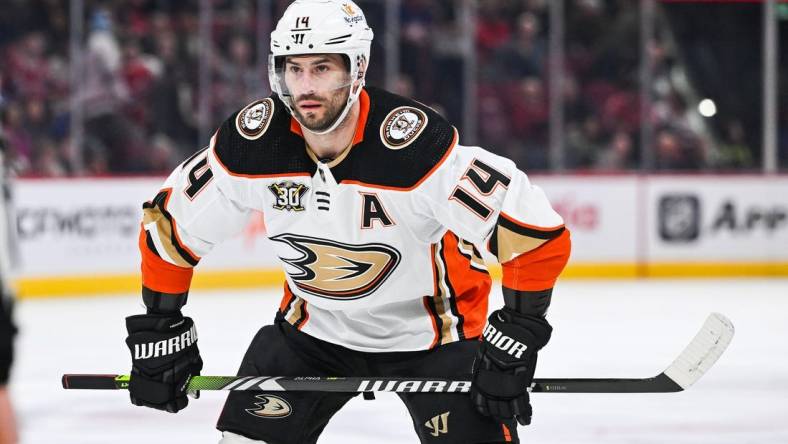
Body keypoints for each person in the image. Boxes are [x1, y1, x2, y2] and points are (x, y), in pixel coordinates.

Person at [124, 1, 571, 443]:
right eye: (293, 69)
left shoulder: (414, 150)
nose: (305, 87)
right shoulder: (252, 148)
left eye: (322, 68)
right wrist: (162, 325)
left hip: (437, 339)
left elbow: (534, 238)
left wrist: (515, 334)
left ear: (357, 68)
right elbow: (169, 228)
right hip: (312, 333)